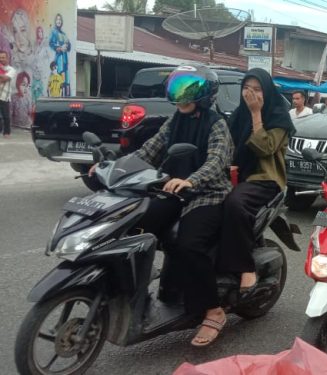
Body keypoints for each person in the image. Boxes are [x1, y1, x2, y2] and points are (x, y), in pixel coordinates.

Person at [107, 65, 233, 347]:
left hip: (207, 194)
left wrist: (191, 180)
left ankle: (213, 310)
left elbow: (217, 162)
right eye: (178, 89)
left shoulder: (216, 124)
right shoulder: (173, 122)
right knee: (135, 225)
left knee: (189, 243)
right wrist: (111, 168)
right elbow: (147, 151)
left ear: (204, 94)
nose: (182, 96)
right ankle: (138, 292)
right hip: (173, 191)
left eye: (189, 91)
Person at [217, 68, 295, 294]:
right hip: (235, 175)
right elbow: (225, 146)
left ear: (268, 91)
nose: (251, 94)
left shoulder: (279, 117)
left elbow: (265, 148)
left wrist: (256, 114)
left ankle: (245, 267)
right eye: (246, 89)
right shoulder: (237, 115)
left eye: (257, 89)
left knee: (234, 204)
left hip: (265, 178)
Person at [49, 13, 70, 97]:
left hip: (65, 59)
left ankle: (66, 97)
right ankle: (58, 96)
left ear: (62, 22)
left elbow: (69, 45)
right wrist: (60, 48)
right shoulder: (54, 32)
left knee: (66, 79)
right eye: (57, 19)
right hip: (59, 59)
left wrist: (67, 46)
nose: (58, 21)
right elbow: (51, 43)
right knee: (59, 77)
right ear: (55, 21)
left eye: (60, 19)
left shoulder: (64, 34)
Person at [0, 51, 17, 138]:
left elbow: (5, 78)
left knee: (6, 116)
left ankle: (7, 133)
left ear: (7, 58)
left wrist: (2, 77)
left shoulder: (11, 70)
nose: (1, 59)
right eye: (0, 57)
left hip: (4, 96)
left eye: (3, 57)